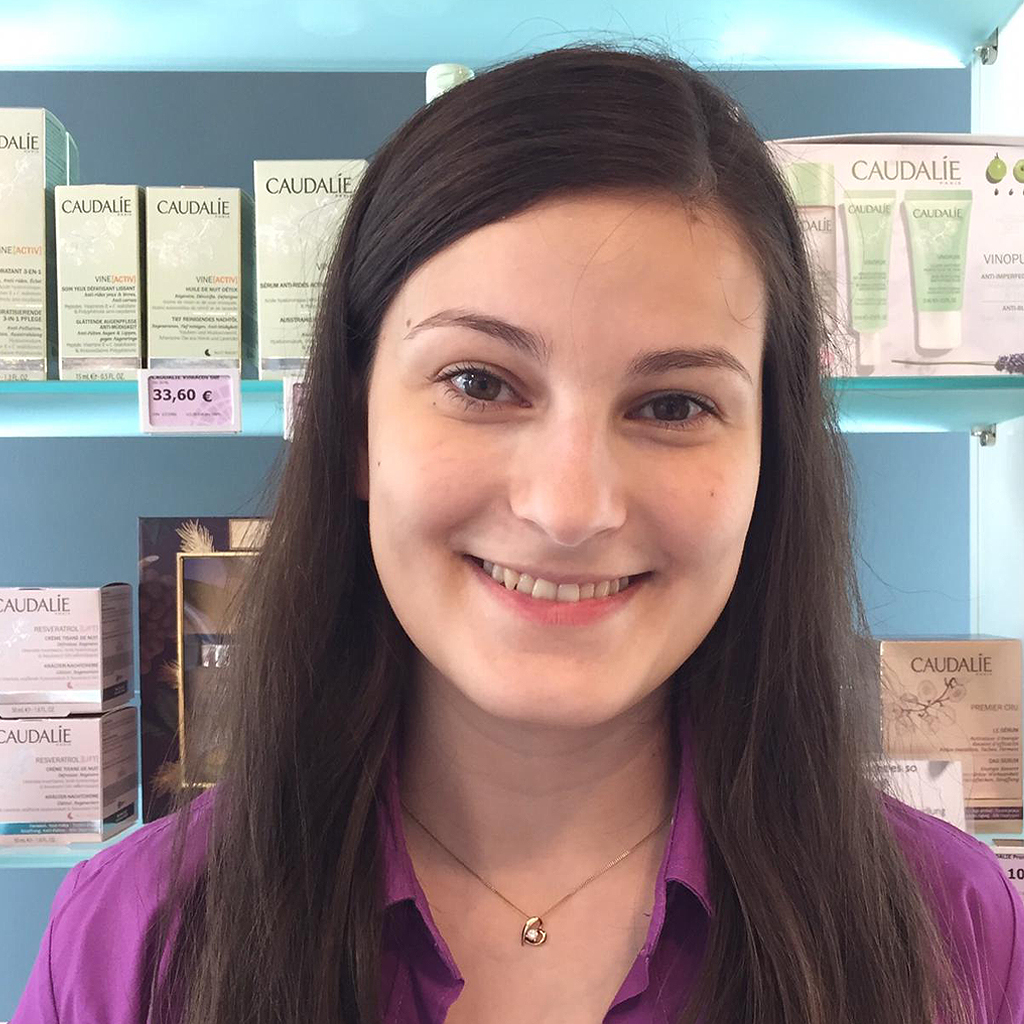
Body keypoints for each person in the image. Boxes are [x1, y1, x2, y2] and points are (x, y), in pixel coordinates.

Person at [13, 45, 1023, 1024]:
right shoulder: (133, 940)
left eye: (673, 405)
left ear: (772, 456)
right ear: (356, 427)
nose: (568, 508)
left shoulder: (954, 929)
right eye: (480, 383)